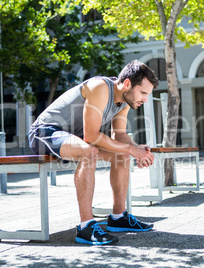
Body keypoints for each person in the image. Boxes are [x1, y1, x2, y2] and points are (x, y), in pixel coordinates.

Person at [28, 60, 159, 245]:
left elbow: (119, 135)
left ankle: (118, 217)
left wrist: (136, 149)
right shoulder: (100, 87)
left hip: (75, 138)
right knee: (89, 152)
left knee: (121, 155)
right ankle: (85, 227)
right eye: (143, 93)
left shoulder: (125, 99)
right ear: (128, 84)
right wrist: (131, 149)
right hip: (45, 132)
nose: (145, 99)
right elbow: (90, 136)